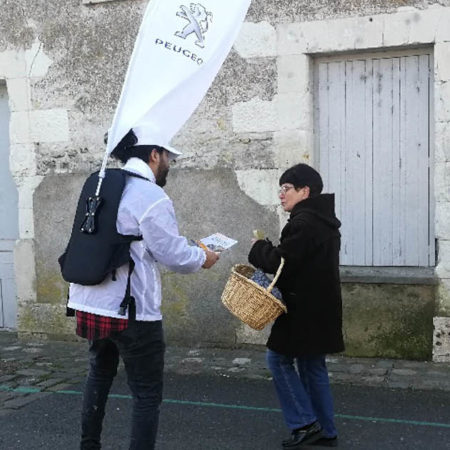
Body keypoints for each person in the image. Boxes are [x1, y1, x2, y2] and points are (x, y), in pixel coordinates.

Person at [67, 125, 219, 450]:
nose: (169, 165)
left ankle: (88, 445)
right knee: (146, 395)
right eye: (167, 157)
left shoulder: (99, 184)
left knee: (99, 375)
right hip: (132, 310)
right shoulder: (150, 194)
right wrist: (202, 257)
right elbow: (173, 256)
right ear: (154, 155)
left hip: (91, 301)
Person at [248, 163, 344, 448]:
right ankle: (325, 430)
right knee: (312, 366)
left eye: (287, 188)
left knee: (277, 359)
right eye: (281, 189)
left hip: (302, 310)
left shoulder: (304, 222)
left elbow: (282, 265)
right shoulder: (322, 219)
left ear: (305, 191)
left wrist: (258, 248)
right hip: (320, 308)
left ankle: (304, 423)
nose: (281, 195)